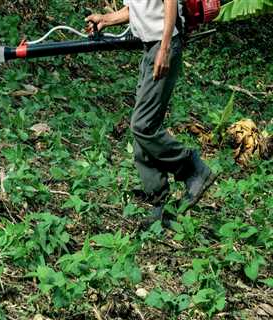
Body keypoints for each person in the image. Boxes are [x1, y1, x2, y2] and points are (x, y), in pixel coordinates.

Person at [86, 0, 217, 227]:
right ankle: (160, 205)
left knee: (143, 125)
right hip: (150, 48)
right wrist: (105, 19)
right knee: (140, 134)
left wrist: (164, 48)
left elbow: (170, 2)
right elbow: (137, 8)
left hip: (163, 46)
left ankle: (193, 168)